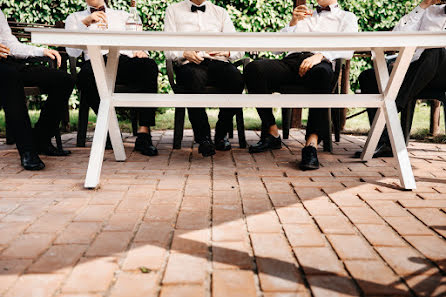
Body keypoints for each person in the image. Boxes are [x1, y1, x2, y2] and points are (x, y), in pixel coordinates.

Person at [245, 0, 358, 170]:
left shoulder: (347, 17)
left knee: (322, 73)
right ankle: (272, 132)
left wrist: (321, 55)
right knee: (254, 68)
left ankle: (311, 145)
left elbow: (349, 47)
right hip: (291, 62)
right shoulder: (304, 15)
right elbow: (276, 49)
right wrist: (293, 23)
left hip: (319, 64)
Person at [65, 0, 159, 156]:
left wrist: (142, 51)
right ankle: (109, 126)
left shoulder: (123, 15)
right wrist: (85, 23)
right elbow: (72, 53)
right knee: (84, 77)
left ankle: (144, 133)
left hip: (124, 61)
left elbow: (138, 38)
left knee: (148, 66)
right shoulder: (74, 18)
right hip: (96, 62)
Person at [356, 0, 446, 158]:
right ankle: (385, 142)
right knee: (369, 77)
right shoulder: (429, 11)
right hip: (417, 71)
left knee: (435, 50)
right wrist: (422, 6)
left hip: (442, 73)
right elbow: (397, 35)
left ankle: (390, 106)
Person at [164, 0, 245, 157]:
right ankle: (204, 138)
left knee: (236, 79)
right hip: (189, 64)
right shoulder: (173, 10)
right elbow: (167, 48)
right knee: (192, 79)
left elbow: (238, 47)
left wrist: (227, 52)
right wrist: (183, 53)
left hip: (217, 62)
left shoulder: (220, 12)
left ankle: (221, 133)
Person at [0, 11, 75, 170]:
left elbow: (10, 45)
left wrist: (41, 51)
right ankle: (27, 150)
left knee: (64, 80)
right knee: (11, 77)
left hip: (10, 63)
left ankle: (41, 138)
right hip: (5, 72)